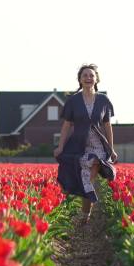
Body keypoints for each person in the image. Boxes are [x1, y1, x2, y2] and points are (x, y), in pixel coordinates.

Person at [54, 64, 118, 223]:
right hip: (78, 145)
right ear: (80, 80)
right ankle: (85, 215)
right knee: (85, 180)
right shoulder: (73, 100)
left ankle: (85, 215)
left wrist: (111, 148)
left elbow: (107, 126)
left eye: (91, 75)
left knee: (89, 176)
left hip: (98, 146)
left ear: (96, 79)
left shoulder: (103, 100)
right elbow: (67, 125)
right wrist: (61, 146)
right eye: (85, 76)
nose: (88, 78)